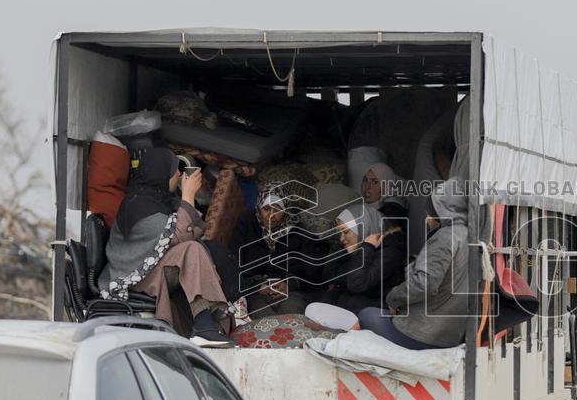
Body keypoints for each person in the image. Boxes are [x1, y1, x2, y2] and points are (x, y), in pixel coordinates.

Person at [99, 148, 232, 347]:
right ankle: (203, 327)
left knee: (201, 248)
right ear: (160, 173)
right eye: (173, 170)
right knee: (191, 250)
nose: (179, 174)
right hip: (135, 275)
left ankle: (207, 324)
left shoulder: (159, 200)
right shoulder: (139, 205)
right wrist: (187, 197)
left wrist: (186, 203)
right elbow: (178, 235)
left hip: (153, 268)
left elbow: (193, 230)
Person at [357, 178, 469, 350]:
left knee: (367, 314)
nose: (427, 218)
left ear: (442, 211)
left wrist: (393, 298)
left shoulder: (445, 237)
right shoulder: (470, 235)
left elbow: (425, 284)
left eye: (430, 212)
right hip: (451, 335)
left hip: (424, 335)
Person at [238, 182, 330, 317]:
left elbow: (314, 271)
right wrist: (257, 286)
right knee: (264, 321)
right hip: (256, 293)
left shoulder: (298, 233)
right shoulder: (246, 227)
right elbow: (234, 264)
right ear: (258, 208)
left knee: (290, 318)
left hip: (290, 293)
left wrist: (289, 284)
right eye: (267, 209)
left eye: (277, 210)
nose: (271, 215)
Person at [320, 203, 407, 313]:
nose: (341, 238)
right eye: (340, 233)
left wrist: (367, 247)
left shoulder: (390, 253)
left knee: (339, 301)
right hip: (357, 304)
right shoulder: (360, 247)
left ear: (364, 227)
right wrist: (346, 251)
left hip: (377, 310)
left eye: (346, 232)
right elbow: (329, 274)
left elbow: (356, 284)